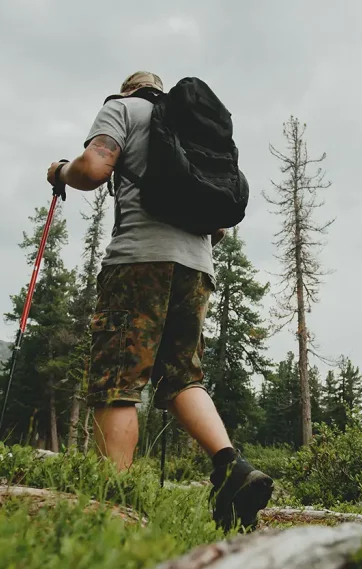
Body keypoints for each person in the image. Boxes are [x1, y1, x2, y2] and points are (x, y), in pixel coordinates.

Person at [45, 71, 272, 531]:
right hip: (196, 269)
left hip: (137, 263)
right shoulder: (188, 129)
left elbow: (93, 168)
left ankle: (115, 505)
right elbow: (219, 227)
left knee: (118, 381)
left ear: (129, 90)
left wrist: (59, 171)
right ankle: (231, 466)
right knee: (183, 377)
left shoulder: (123, 110)